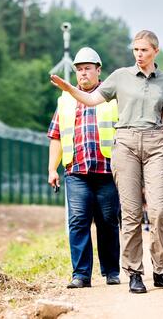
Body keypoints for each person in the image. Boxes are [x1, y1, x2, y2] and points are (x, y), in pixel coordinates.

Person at [50, 30, 163, 294]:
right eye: (135, 50)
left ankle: (161, 270)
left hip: (155, 143)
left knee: (158, 211)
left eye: (144, 50)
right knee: (130, 214)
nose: (139, 55)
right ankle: (134, 272)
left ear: (155, 51)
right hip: (126, 143)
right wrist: (69, 88)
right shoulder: (120, 77)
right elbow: (91, 99)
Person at [47, 47, 121, 288]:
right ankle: (80, 275)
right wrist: (52, 169)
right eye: (79, 70)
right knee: (78, 221)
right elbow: (56, 135)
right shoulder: (66, 100)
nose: (83, 74)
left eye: (88, 69)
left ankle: (111, 271)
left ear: (99, 71)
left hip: (107, 171)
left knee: (108, 221)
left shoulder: (112, 97)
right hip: (76, 172)